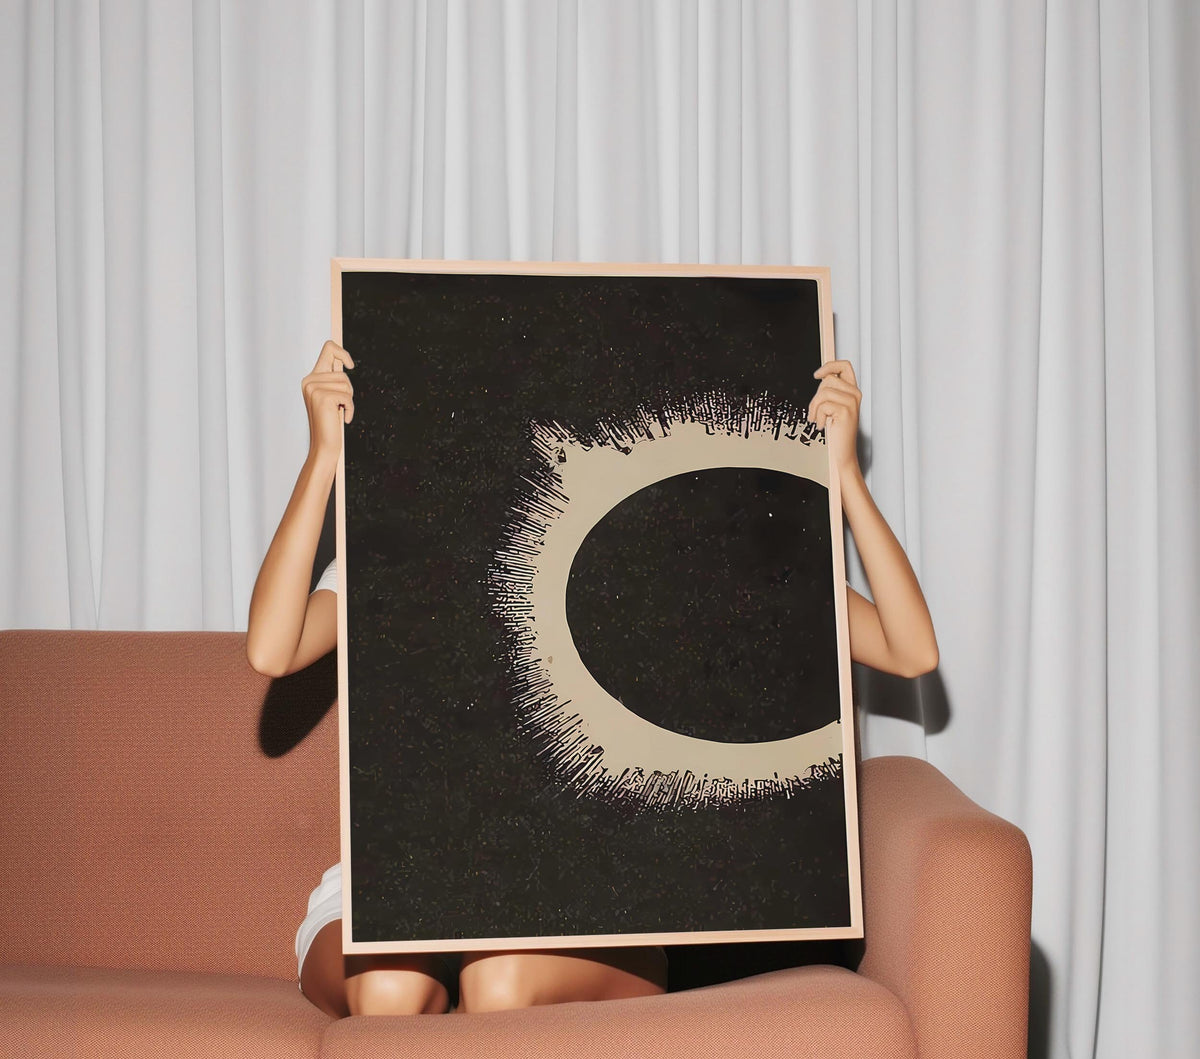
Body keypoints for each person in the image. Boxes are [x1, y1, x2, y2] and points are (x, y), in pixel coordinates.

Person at [246, 340, 938, 1017]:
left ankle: (475, 1056)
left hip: (583, 897)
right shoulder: (402, 561)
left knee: (500, 983)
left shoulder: (691, 569)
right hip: (399, 884)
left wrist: (844, 476)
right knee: (388, 994)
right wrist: (323, 459)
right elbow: (274, 651)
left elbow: (908, 650)